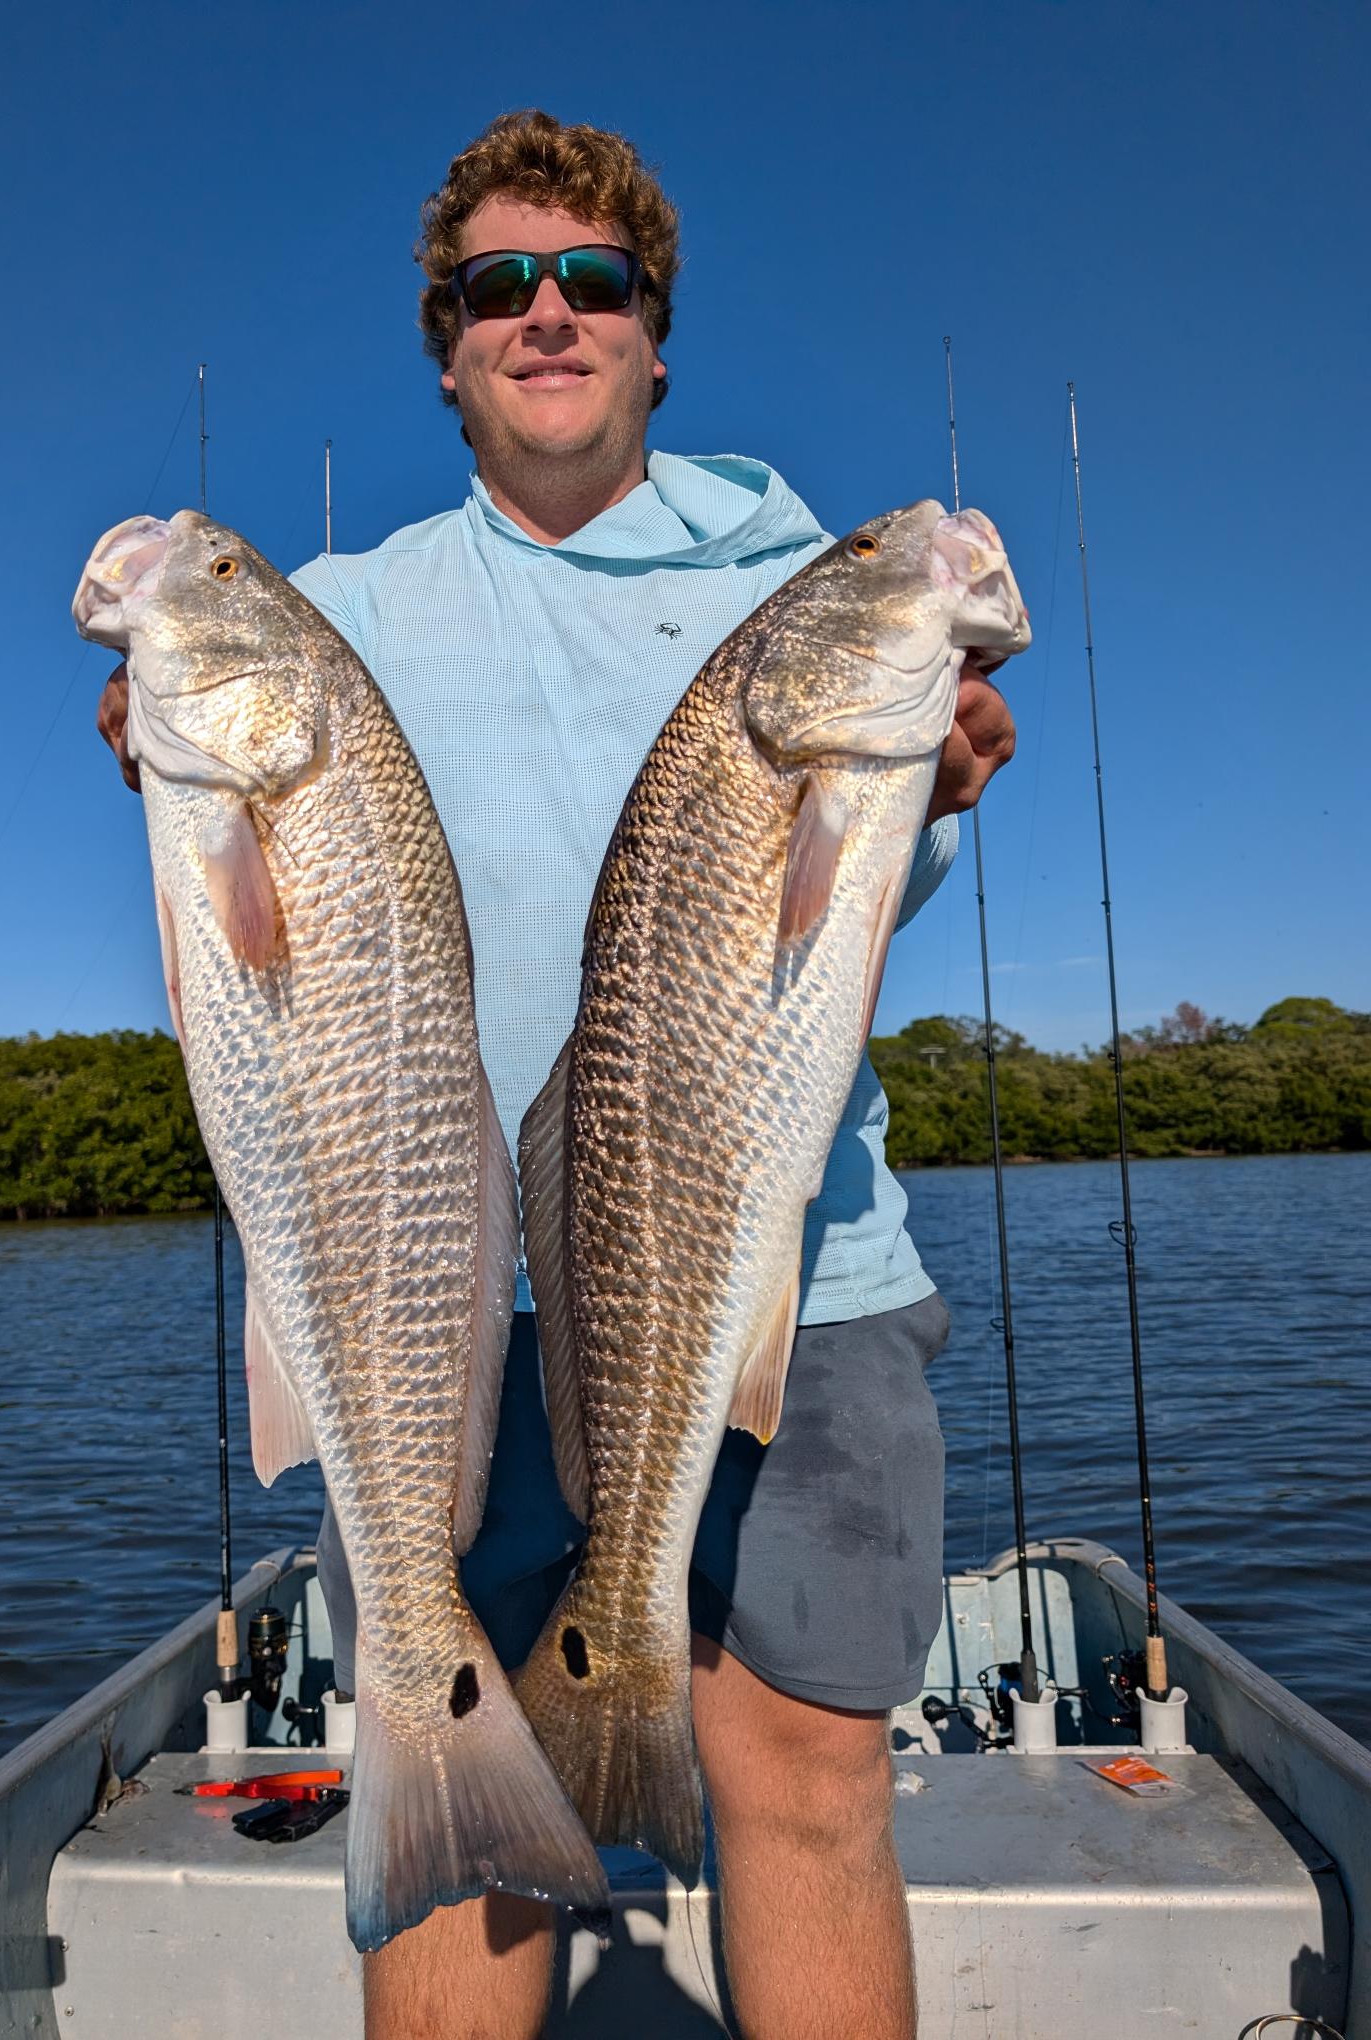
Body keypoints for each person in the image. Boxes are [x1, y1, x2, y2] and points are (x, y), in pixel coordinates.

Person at [99, 109, 1015, 2040]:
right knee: (451, 1745)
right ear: (443, 344)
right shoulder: (337, 615)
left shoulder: (784, 569)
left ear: (654, 332)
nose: (545, 314)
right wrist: (177, 737)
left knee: (807, 1775)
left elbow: (849, 920)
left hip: (788, 1258)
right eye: (494, 287)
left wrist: (924, 778)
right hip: (428, 1280)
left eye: (589, 282)